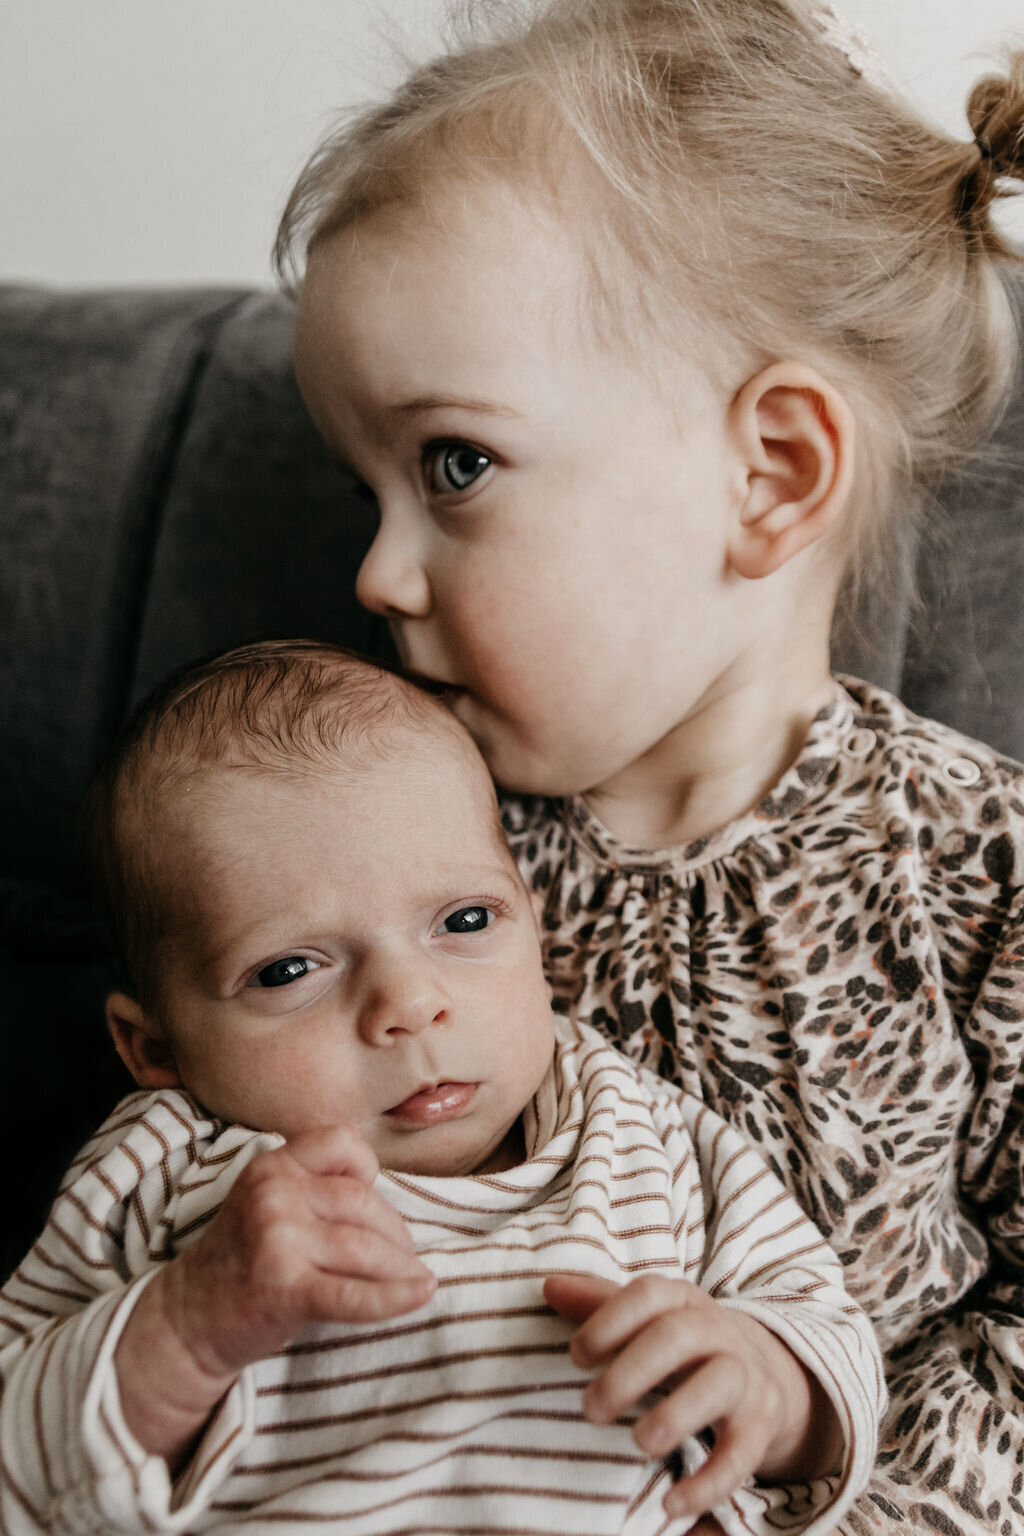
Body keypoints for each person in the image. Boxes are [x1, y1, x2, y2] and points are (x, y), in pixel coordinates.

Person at [272, 3, 1024, 1534]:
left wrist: (838, 1464)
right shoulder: (377, 835)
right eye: (365, 488)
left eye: (454, 467)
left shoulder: (975, 874)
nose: (375, 574)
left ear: (772, 475)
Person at [0, 640, 883, 1536]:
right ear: (157, 1048)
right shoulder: (163, 1167)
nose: (409, 1004)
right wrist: (186, 1327)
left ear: (534, 927)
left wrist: (764, 1382)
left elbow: (831, 1332)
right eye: (289, 970)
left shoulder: (633, 1120)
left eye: (463, 921)